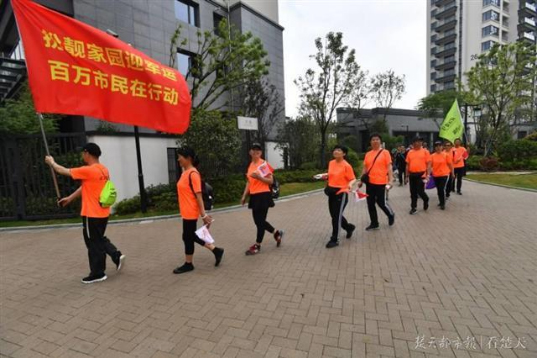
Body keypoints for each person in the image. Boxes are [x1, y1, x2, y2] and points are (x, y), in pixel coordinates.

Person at [45, 143, 125, 284]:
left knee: (93, 243)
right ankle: (116, 255)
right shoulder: (103, 170)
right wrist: (70, 198)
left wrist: (52, 162)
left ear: (87, 153)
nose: (82, 155)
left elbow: (63, 171)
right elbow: (86, 186)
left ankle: (98, 273)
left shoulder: (88, 170)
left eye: (83, 153)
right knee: (98, 239)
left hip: (91, 214)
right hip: (103, 212)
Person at [173, 146, 224, 274]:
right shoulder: (185, 172)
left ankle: (190, 263)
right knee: (188, 236)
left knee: (188, 236)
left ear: (188, 158)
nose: (178, 159)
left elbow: (199, 196)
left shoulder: (193, 174)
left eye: (180, 156)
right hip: (186, 211)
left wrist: (203, 215)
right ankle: (215, 251)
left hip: (191, 211)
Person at [241, 143, 284, 255]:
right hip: (254, 196)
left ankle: (257, 245)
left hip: (263, 195)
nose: (256, 153)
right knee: (258, 221)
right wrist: (244, 195)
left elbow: (270, 181)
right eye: (254, 150)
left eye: (258, 151)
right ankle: (276, 232)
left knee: (260, 222)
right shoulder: (251, 165)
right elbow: (249, 182)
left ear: (260, 153)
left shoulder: (263, 165)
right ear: (250, 152)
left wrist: (259, 177)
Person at [318, 145, 357, 248]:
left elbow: (353, 178)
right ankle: (349, 227)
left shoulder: (346, 165)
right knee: (335, 215)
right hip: (331, 192)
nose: (336, 151)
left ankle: (335, 239)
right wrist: (325, 176)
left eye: (339, 150)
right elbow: (331, 175)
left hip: (341, 192)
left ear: (344, 154)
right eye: (335, 149)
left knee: (336, 217)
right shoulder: (331, 163)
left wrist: (350, 184)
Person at [358, 134, 395, 231]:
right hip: (370, 182)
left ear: (380, 141)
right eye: (373, 139)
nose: (375, 141)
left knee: (381, 202)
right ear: (370, 142)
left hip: (381, 182)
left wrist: (390, 180)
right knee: (370, 203)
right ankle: (374, 223)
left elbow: (389, 167)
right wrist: (361, 180)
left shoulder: (385, 152)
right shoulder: (368, 154)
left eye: (377, 139)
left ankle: (390, 214)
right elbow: (365, 168)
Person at [405, 137, 431, 215]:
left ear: (421, 143)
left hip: (422, 174)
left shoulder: (425, 152)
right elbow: (407, 165)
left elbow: (429, 164)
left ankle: (426, 199)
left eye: (419, 142)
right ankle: (413, 207)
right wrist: (406, 176)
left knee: (420, 191)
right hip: (412, 174)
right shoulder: (410, 152)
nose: (417, 143)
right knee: (412, 192)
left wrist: (428, 175)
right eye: (416, 142)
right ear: (413, 143)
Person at [431, 141, 454, 210]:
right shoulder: (432, 156)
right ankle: (441, 201)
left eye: (439, 146)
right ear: (435, 148)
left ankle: (443, 204)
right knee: (438, 189)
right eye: (436, 146)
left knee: (441, 188)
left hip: (444, 174)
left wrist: (452, 173)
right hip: (436, 175)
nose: (438, 147)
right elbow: (430, 166)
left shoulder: (446, 155)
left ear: (442, 147)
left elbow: (450, 165)